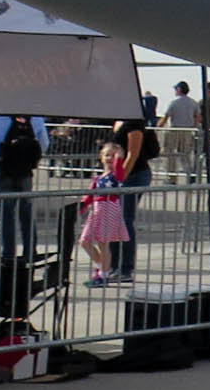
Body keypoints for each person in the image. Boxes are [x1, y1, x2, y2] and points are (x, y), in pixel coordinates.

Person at [0, 113, 51, 320]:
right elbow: (44, 144)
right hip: (25, 171)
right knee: (26, 211)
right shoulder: (36, 119)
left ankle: (9, 253)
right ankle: (30, 250)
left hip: (4, 169)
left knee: (6, 214)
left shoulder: (1, 119)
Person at [107, 106, 155, 275]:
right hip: (118, 174)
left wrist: (120, 179)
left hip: (135, 175)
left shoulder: (135, 123)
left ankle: (125, 267)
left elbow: (132, 154)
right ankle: (113, 265)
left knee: (124, 219)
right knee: (114, 218)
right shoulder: (119, 120)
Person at [80, 142, 131, 282]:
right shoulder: (98, 178)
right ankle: (101, 266)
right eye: (107, 155)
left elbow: (120, 172)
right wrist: (80, 208)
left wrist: (119, 159)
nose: (110, 158)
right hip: (96, 210)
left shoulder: (116, 175)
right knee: (84, 241)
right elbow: (89, 195)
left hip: (109, 208)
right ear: (101, 157)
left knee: (103, 243)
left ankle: (103, 274)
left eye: (113, 156)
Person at [162, 82, 202, 180]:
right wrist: (194, 127)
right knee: (186, 155)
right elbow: (198, 117)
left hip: (175, 130)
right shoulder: (193, 102)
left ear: (179, 89)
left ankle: (172, 177)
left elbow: (166, 117)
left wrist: (156, 128)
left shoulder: (174, 102)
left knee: (171, 155)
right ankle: (189, 175)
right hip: (188, 131)